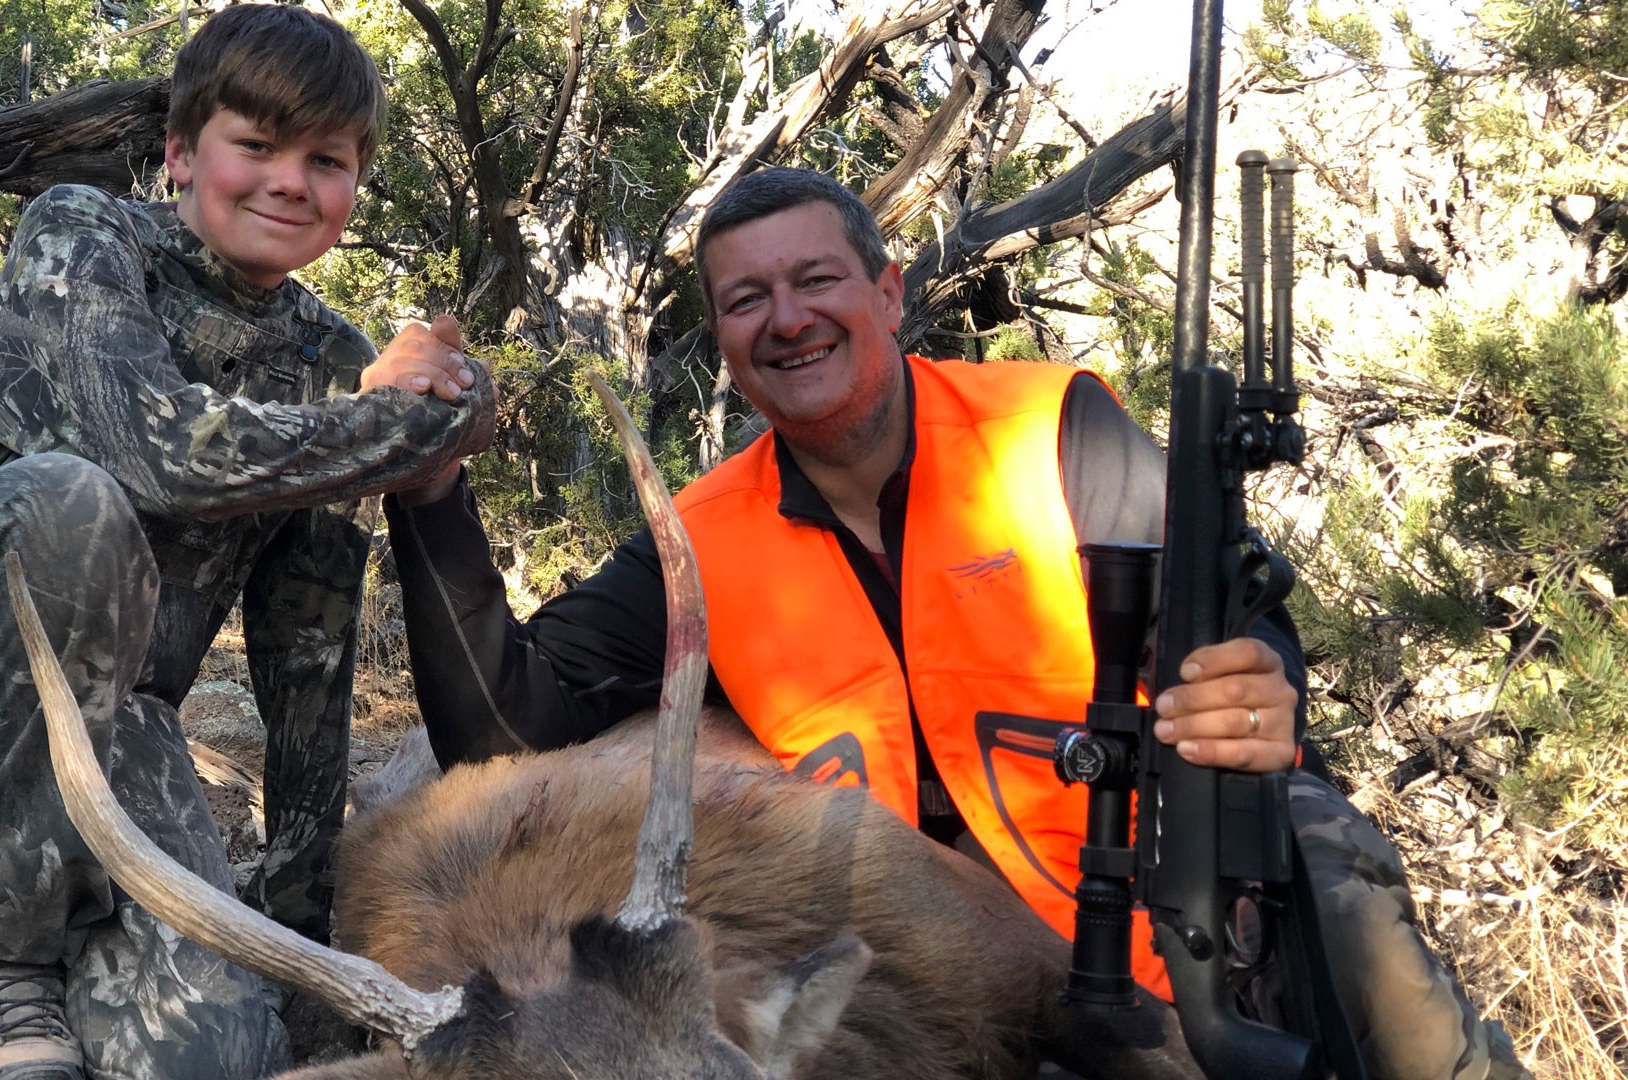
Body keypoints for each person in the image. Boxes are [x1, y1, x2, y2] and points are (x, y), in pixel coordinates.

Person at [383, 167, 1523, 1080]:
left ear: (886, 293)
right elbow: (504, 729)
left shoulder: (1052, 428)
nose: (787, 320)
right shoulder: (697, 541)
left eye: (816, 280)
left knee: (1328, 876)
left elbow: (1229, 618)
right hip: (951, 971)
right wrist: (429, 494)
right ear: (726, 345)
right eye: (747, 301)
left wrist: (1263, 681)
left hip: (1175, 916)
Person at [0, 6, 491, 1079]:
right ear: (178, 154)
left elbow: (307, 663)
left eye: (326, 160)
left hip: (114, 734)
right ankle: (0, 974)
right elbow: (159, 454)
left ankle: (99, 955)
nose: (290, 182)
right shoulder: (83, 235)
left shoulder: (330, 361)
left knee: (214, 1057)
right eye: (254, 146)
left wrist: (308, 957)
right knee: (71, 499)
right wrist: (404, 421)